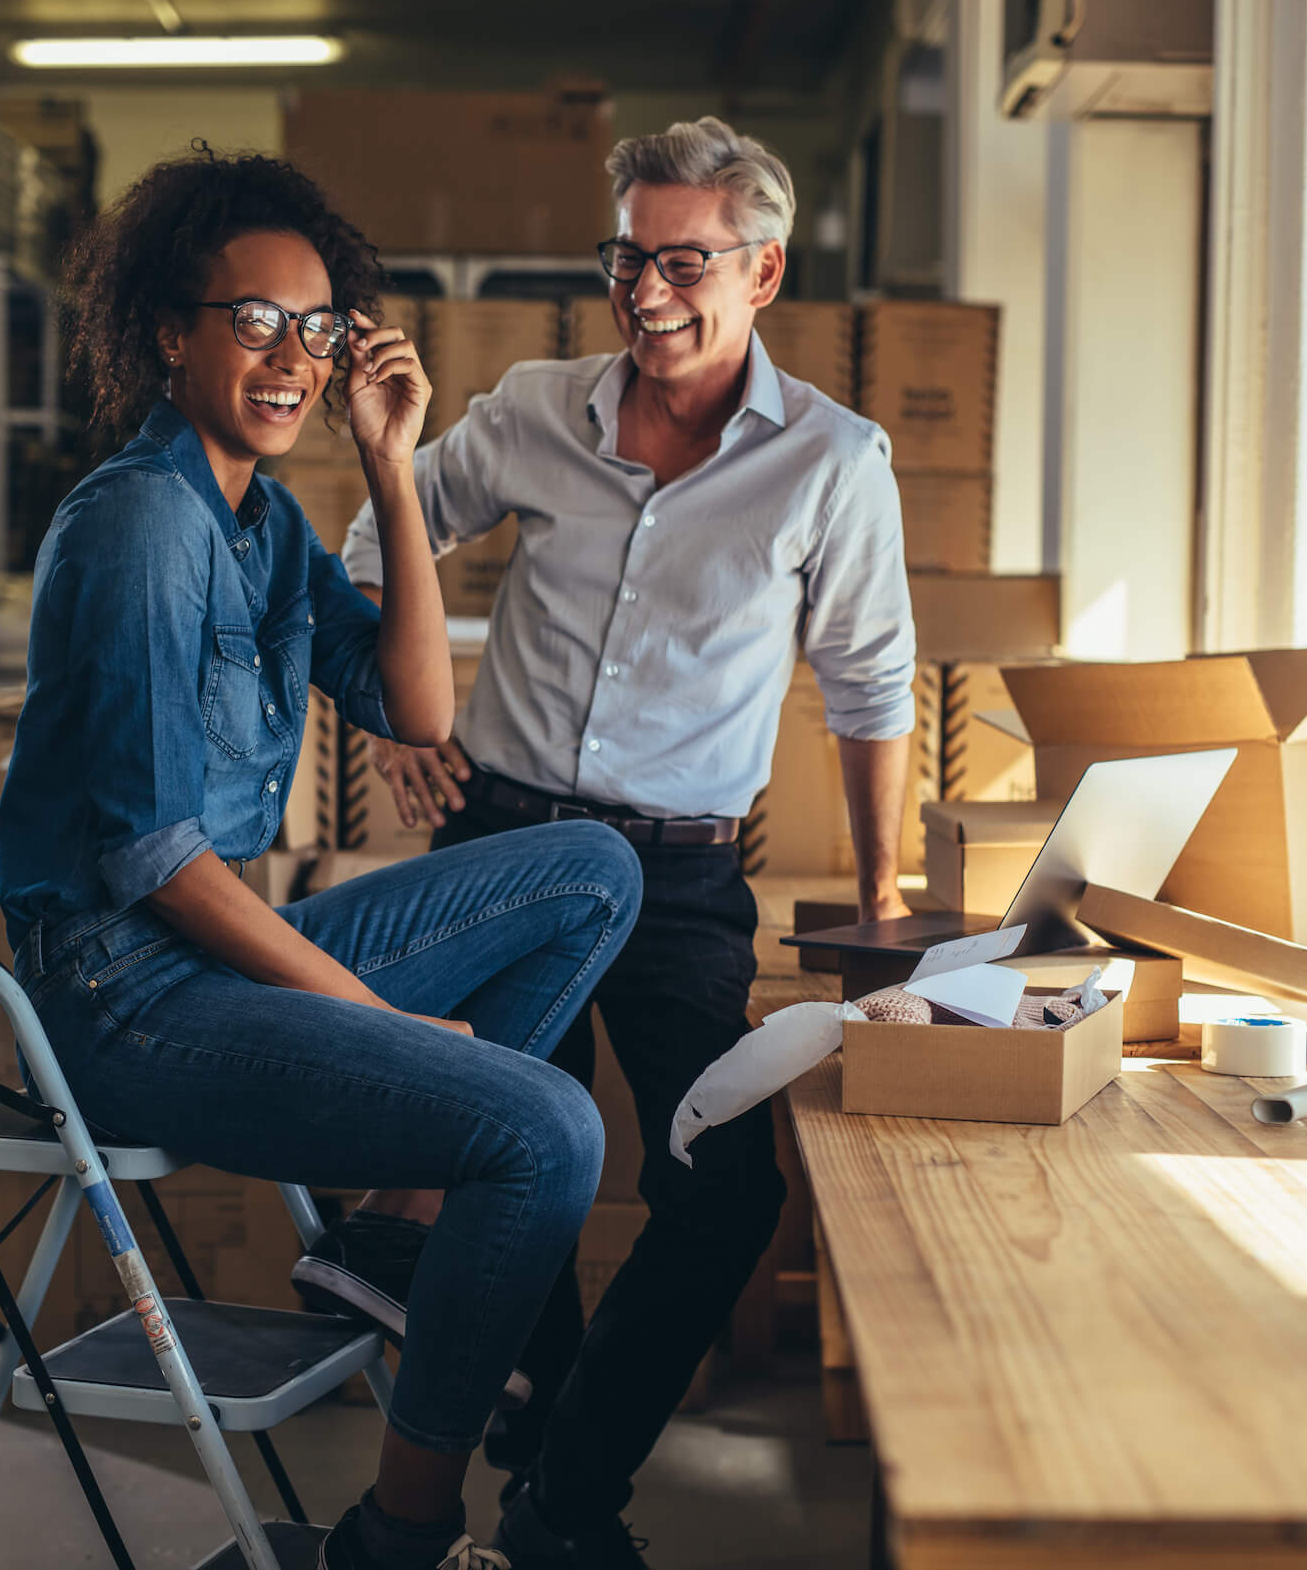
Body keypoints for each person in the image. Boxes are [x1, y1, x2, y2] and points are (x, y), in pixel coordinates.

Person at [0, 146, 644, 1570]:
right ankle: (401, 1541)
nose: (292, 357)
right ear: (171, 331)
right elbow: (159, 863)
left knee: (591, 866)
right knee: (544, 1131)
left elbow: (416, 708)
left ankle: (393, 1233)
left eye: (320, 326)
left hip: (212, 960)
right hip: (124, 1001)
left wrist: (393, 470)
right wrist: (371, 1018)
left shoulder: (262, 520)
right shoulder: (140, 526)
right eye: (254, 320)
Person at [334, 118, 917, 1568]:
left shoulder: (834, 464)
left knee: (725, 1190)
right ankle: (545, 1457)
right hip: (504, 840)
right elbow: (370, 548)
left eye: (682, 261)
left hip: (678, 878)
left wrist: (888, 891)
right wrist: (400, 727)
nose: (646, 292)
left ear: (762, 269)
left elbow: (871, 684)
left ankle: (562, 1485)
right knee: (508, 1150)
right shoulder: (535, 409)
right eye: (626, 259)